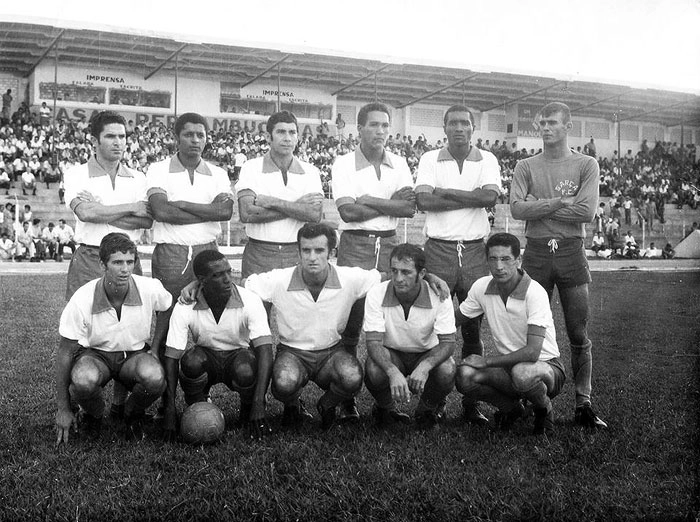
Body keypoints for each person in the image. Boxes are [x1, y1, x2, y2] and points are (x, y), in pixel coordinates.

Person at [509, 101, 606, 429]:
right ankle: (524, 398)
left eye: (552, 123)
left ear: (567, 126)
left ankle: (584, 403)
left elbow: (586, 213)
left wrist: (539, 206)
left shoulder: (586, 164)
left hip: (570, 251)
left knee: (578, 331)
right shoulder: (525, 165)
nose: (546, 128)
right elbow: (517, 211)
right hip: (535, 251)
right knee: (529, 328)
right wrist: (558, 203)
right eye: (542, 123)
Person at [244, 223, 379, 431]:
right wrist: (197, 285)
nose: (312, 257)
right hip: (293, 353)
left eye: (319, 250)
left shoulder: (350, 278)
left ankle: (327, 404)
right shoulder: (280, 279)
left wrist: (429, 277)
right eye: (306, 250)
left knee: (352, 377)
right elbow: (246, 284)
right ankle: (293, 404)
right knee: (283, 382)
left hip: (332, 352)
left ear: (331, 252)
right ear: (298, 251)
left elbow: (383, 278)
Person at [415, 104, 501, 424]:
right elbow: (424, 201)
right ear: (445, 128)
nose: (459, 128)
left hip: (475, 249)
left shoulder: (487, 159)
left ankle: (471, 401)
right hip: (439, 248)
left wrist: (447, 192)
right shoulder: (429, 158)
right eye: (453, 123)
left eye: (465, 123)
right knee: (435, 324)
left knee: (473, 327)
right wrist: (471, 196)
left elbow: (489, 198)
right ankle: (433, 401)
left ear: (473, 128)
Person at [330, 102, 415, 422]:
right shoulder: (343, 163)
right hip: (356, 243)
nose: (381, 131)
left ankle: (385, 405)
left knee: (387, 324)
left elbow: (408, 209)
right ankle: (346, 398)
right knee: (351, 324)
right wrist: (388, 204)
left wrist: (367, 200)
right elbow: (348, 212)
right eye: (374, 125)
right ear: (360, 129)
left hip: (390, 243)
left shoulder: (400, 162)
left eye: (385, 125)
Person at [147, 112, 233, 410]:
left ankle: (199, 394)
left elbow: (224, 213)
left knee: (207, 321)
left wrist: (181, 204)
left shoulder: (218, 173)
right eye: (189, 134)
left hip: (207, 251)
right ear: (176, 136)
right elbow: (161, 212)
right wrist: (202, 210)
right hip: (171, 253)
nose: (196, 140)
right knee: (169, 321)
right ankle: (163, 398)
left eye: (201, 135)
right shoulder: (158, 169)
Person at [54, 233, 172, 444]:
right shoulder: (83, 297)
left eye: (130, 262)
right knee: (82, 379)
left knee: (154, 377)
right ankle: (94, 415)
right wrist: (63, 407)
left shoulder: (149, 287)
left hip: (134, 355)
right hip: (97, 355)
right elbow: (65, 351)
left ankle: (131, 414)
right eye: (117, 262)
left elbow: (166, 307)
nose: (125, 269)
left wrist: (154, 347)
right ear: (102, 264)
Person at [455, 233, 566, 436]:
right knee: (464, 375)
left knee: (522, 372)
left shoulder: (535, 292)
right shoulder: (482, 287)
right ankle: (513, 410)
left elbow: (532, 353)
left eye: (505, 259)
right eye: (493, 259)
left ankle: (544, 409)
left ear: (518, 260)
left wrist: (487, 361)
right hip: (509, 370)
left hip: (546, 368)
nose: (499, 266)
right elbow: (453, 321)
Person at [162, 250, 273, 440]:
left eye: (229, 272)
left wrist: (258, 402)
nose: (227, 279)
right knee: (191, 361)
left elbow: (265, 352)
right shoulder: (185, 305)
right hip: (206, 357)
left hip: (238, 356)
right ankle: (197, 406)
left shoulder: (250, 300)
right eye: (218, 275)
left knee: (247, 367)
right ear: (201, 280)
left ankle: (247, 410)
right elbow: (172, 359)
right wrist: (170, 410)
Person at [363, 244, 456, 428]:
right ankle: (386, 409)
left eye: (406, 272)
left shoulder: (439, 295)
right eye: (394, 271)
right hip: (393, 353)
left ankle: (426, 410)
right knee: (374, 368)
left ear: (422, 274)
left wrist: (425, 366)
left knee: (447, 369)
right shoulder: (376, 293)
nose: (398, 278)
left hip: (425, 353)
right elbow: (373, 343)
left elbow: (448, 344)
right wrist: (391, 371)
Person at [63, 110, 153, 299]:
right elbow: (86, 214)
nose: (118, 142)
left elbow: (145, 221)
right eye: (110, 136)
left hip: (128, 258)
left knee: (129, 318)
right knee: (85, 320)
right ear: (95, 141)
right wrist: (131, 207)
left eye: (122, 136)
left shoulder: (138, 177)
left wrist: (100, 208)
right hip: (90, 256)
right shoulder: (76, 173)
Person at [237, 111, 323, 282]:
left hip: (296, 253)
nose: (287, 138)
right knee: (258, 307)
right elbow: (247, 214)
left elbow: (314, 215)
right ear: (269, 137)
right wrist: (297, 207)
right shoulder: (251, 167)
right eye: (281, 132)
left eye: (292, 132)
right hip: (259, 253)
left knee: (294, 307)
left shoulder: (311, 171)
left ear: (298, 137)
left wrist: (272, 202)